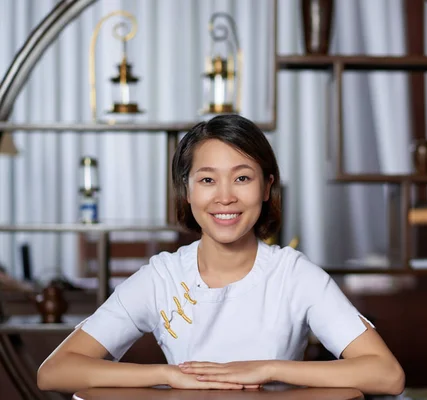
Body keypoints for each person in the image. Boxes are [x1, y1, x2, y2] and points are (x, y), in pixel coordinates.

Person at [37, 114, 405, 395]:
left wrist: (266, 369)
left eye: (242, 178)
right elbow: (54, 372)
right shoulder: (162, 277)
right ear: (187, 191)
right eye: (207, 180)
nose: (225, 196)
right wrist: (169, 376)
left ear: (267, 187)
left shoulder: (294, 275)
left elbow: (387, 375)